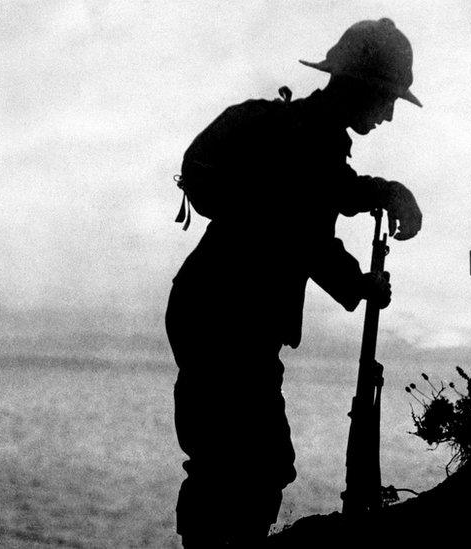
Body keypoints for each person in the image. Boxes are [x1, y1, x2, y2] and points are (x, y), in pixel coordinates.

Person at [166, 18, 423, 547]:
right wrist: (362, 283)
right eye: (388, 97)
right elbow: (306, 231)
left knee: (235, 463)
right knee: (247, 466)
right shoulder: (310, 142)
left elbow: (322, 199)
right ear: (361, 87)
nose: (391, 112)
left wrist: (384, 194)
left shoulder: (306, 137)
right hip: (226, 319)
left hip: (211, 311)